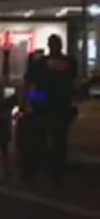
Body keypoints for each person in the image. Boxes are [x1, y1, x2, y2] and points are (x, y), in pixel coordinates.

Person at [23, 34, 79, 184]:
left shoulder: (42, 63)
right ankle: (55, 173)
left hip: (49, 107)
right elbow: (74, 85)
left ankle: (43, 171)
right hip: (59, 107)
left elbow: (28, 82)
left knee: (44, 140)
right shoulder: (69, 63)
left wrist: (32, 100)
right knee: (57, 141)